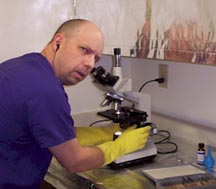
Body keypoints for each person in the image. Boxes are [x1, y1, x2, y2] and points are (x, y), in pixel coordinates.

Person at [0, 19, 151, 189]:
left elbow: (52, 131)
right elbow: (75, 162)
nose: (90, 64)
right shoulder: (46, 89)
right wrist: (119, 147)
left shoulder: (23, 67)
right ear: (58, 42)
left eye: (96, 58)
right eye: (84, 50)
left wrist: (104, 133)